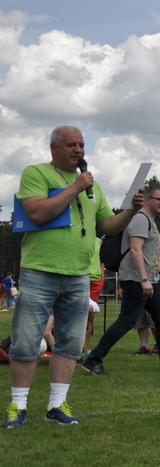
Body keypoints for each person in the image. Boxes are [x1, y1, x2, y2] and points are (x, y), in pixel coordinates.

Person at [3, 125, 142, 428]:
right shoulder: (37, 174)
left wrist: (131, 211)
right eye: (71, 145)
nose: (78, 150)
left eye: (81, 145)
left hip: (79, 274)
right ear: (54, 148)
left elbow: (108, 225)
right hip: (40, 271)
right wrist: (75, 187)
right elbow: (37, 212)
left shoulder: (92, 185)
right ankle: (17, 406)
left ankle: (57, 405)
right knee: (26, 342)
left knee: (70, 344)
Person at [82, 185, 160, 375]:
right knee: (127, 321)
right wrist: (144, 279)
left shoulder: (150, 220)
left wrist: (151, 279)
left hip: (152, 280)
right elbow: (135, 249)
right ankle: (93, 359)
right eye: (159, 199)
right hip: (137, 280)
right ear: (147, 199)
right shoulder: (140, 218)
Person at [134, 238, 160, 355]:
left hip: (156, 278)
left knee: (157, 314)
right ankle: (144, 345)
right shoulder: (137, 242)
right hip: (138, 278)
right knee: (140, 314)